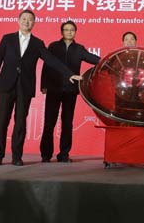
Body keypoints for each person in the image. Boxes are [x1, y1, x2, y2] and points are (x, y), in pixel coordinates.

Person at [0, 10, 82, 166]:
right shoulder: (7, 39)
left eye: (30, 20)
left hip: (25, 87)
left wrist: (69, 74)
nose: (27, 22)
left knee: (20, 123)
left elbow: (51, 60)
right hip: (6, 85)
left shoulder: (37, 43)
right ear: (18, 21)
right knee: (1, 122)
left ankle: (17, 157)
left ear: (34, 23)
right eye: (24, 19)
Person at [40, 20, 100, 163]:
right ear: (62, 32)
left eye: (72, 30)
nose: (69, 32)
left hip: (70, 90)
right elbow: (47, 66)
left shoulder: (79, 49)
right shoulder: (53, 46)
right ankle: (46, 154)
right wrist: (44, 84)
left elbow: (93, 58)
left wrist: (107, 60)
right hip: (53, 88)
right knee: (49, 122)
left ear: (75, 32)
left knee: (67, 123)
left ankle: (64, 154)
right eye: (66, 30)